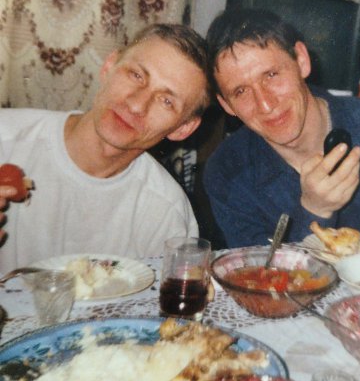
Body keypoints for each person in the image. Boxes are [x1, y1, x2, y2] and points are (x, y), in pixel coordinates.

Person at [203, 9, 360, 248]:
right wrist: (313, 211)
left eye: (271, 75)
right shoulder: (226, 171)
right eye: (241, 91)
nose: (266, 105)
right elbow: (260, 268)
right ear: (226, 105)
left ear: (301, 61)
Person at [0, 23, 210, 273]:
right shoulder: (6, 139)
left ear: (183, 128)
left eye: (166, 101)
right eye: (136, 75)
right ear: (109, 66)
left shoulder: (166, 214)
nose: (136, 105)